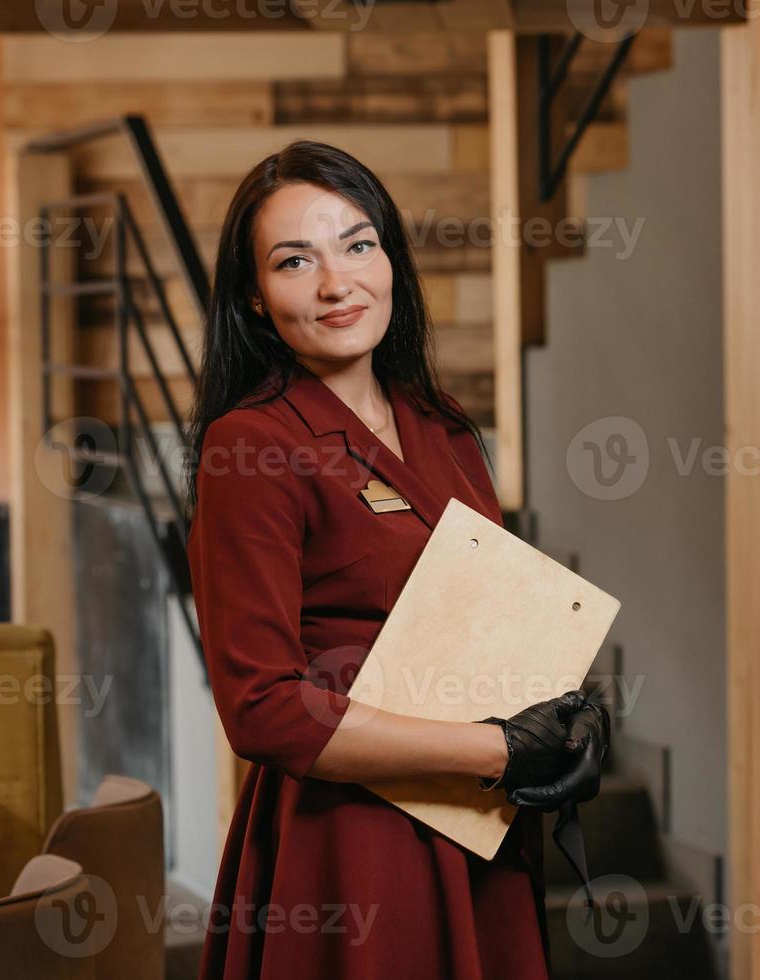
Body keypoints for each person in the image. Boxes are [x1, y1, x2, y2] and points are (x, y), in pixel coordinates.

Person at [184, 139, 610, 979]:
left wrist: (566, 713)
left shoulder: (441, 423)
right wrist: (496, 751)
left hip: (478, 832)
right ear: (257, 300)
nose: (337, 282)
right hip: (352, 849)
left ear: (389, 258)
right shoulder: (251, 447)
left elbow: (486, 614)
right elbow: (263, 708)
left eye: (358, 243)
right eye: (295, 260)